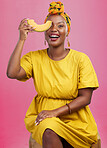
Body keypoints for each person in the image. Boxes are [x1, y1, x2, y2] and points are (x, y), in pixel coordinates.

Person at [7, 1, 99, 148]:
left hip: (77, 119)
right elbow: (12, 73)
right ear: (44, 30)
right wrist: (22, 39)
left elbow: (86, 98)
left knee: (52, 128)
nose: (54, 29)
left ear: (67, 31)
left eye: (60, 25)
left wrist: (55, 112)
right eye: (50, 25)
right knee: (48, 128)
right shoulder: (34, 58)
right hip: (45, 117)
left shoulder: (81, 59)